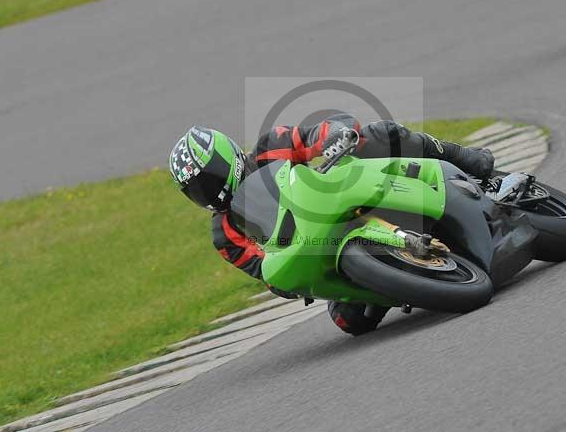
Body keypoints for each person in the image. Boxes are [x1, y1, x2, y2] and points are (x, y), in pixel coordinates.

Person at [168, 115, 495, 335]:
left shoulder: (270, 147)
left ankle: (464, 158)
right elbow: (263, 269)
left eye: (208, 179)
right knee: (349, 321)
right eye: (196, 190)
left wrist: (334, 136)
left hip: (346, 194)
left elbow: (313, 134)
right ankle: (413, 276)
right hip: (318, 251)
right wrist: (281, 282)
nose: (208, 191)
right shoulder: (223, 234)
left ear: (226, 157)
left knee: (379, 135)